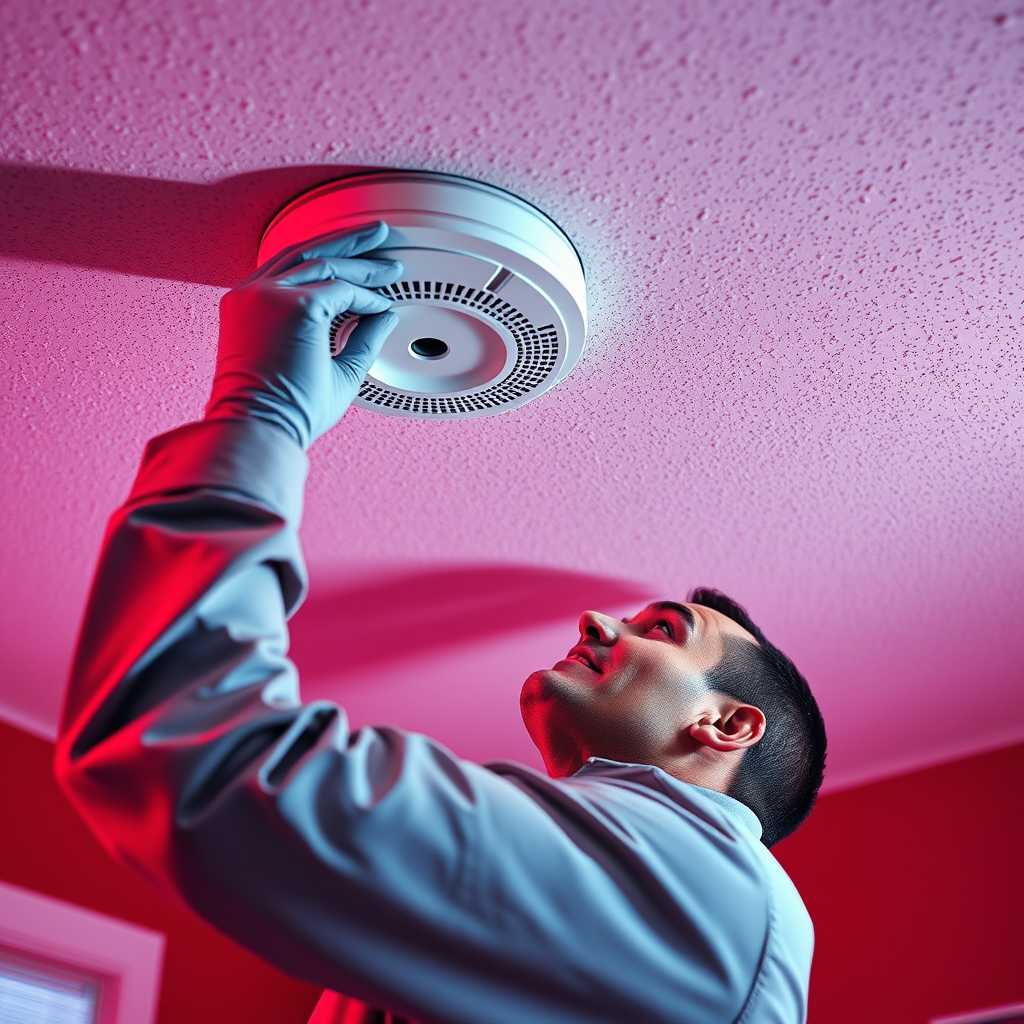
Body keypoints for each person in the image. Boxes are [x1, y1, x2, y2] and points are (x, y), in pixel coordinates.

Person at [53, 221, 828, 1024]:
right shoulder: (635, 907)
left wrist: (262, 417)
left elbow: (197, 756)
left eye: (663, 631)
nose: (601, 621)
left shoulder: (701, 893)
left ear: (727, 724)